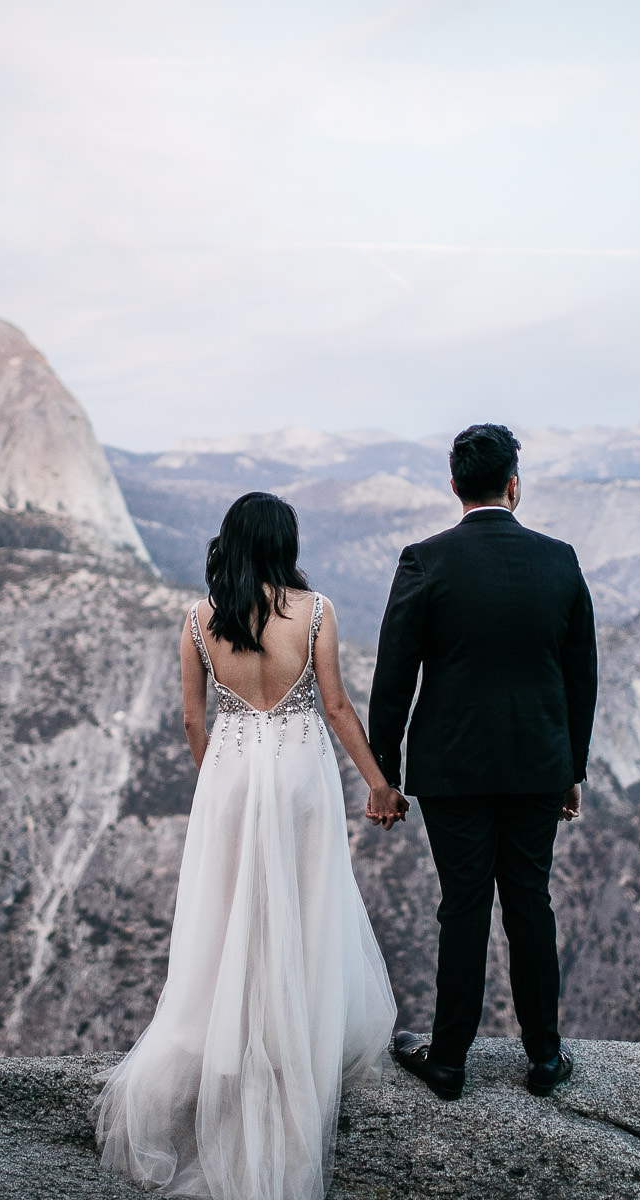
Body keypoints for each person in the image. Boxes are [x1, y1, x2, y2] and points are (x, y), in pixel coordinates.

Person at [92, 491, 401, 1200]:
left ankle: (229, 1043)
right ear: (283, 542)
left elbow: (192, 718)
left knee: (232, 914)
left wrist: (220, 785)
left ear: (230, 542)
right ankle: (295, 1042)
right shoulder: (315, 611)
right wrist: (379, 784)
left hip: (230, 778)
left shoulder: (200, 619)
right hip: (298, 775)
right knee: (303, 901)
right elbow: (336, 707)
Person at [368, 423, 598, 1101]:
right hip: (537, 765)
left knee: (462, 906)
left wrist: (385, 768)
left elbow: (393, 674)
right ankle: (546, 1059)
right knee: (530, 902)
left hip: (451, 768)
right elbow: (581, 676)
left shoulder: (424, 561)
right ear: (514, 487)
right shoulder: (561, 561)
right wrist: (571, 768)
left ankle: (448, 1061)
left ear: (454, 488)